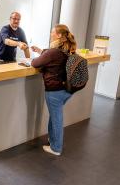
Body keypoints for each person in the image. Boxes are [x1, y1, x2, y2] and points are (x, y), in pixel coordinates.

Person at [31, 24, 77, 156]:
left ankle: (56, 148)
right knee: (54, 115)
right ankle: (53, 140)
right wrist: (41, 51)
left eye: (53, 32)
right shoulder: (68, 49)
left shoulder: (53, 52)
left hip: (55, 91)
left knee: (56, 118)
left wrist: (39, 56)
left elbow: (35, 63)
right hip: (67, 89)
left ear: (59, 35)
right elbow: (53, 58)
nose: (51, 34)